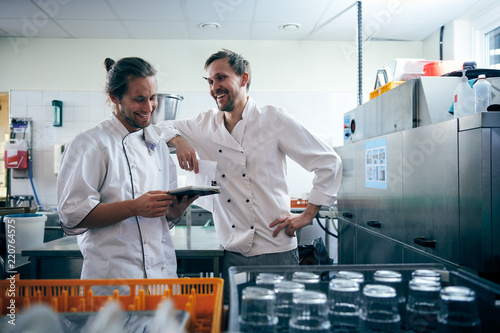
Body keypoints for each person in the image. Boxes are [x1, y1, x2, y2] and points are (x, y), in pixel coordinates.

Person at [157, 49, 342, 298]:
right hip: (231, 249)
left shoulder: (272, 118)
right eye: (210, 81)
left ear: (244, 79)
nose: (214, 87)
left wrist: (308, 215)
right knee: (238, 319)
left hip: (275, 249)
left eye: (221, 78)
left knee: (278, 320)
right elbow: (159, 127)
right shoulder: (204, 124)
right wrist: (179, 140)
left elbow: (329, 161)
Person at [57, 57, 197, 292]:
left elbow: (163, 220)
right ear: (115, 98)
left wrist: (174, 211)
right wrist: (135, 207)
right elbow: (72, 216)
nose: (149, 107)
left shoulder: (158, 146)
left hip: (160, 280)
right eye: (139, 99)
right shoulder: (91, 143)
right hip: (114, 282)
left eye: (153, 98)